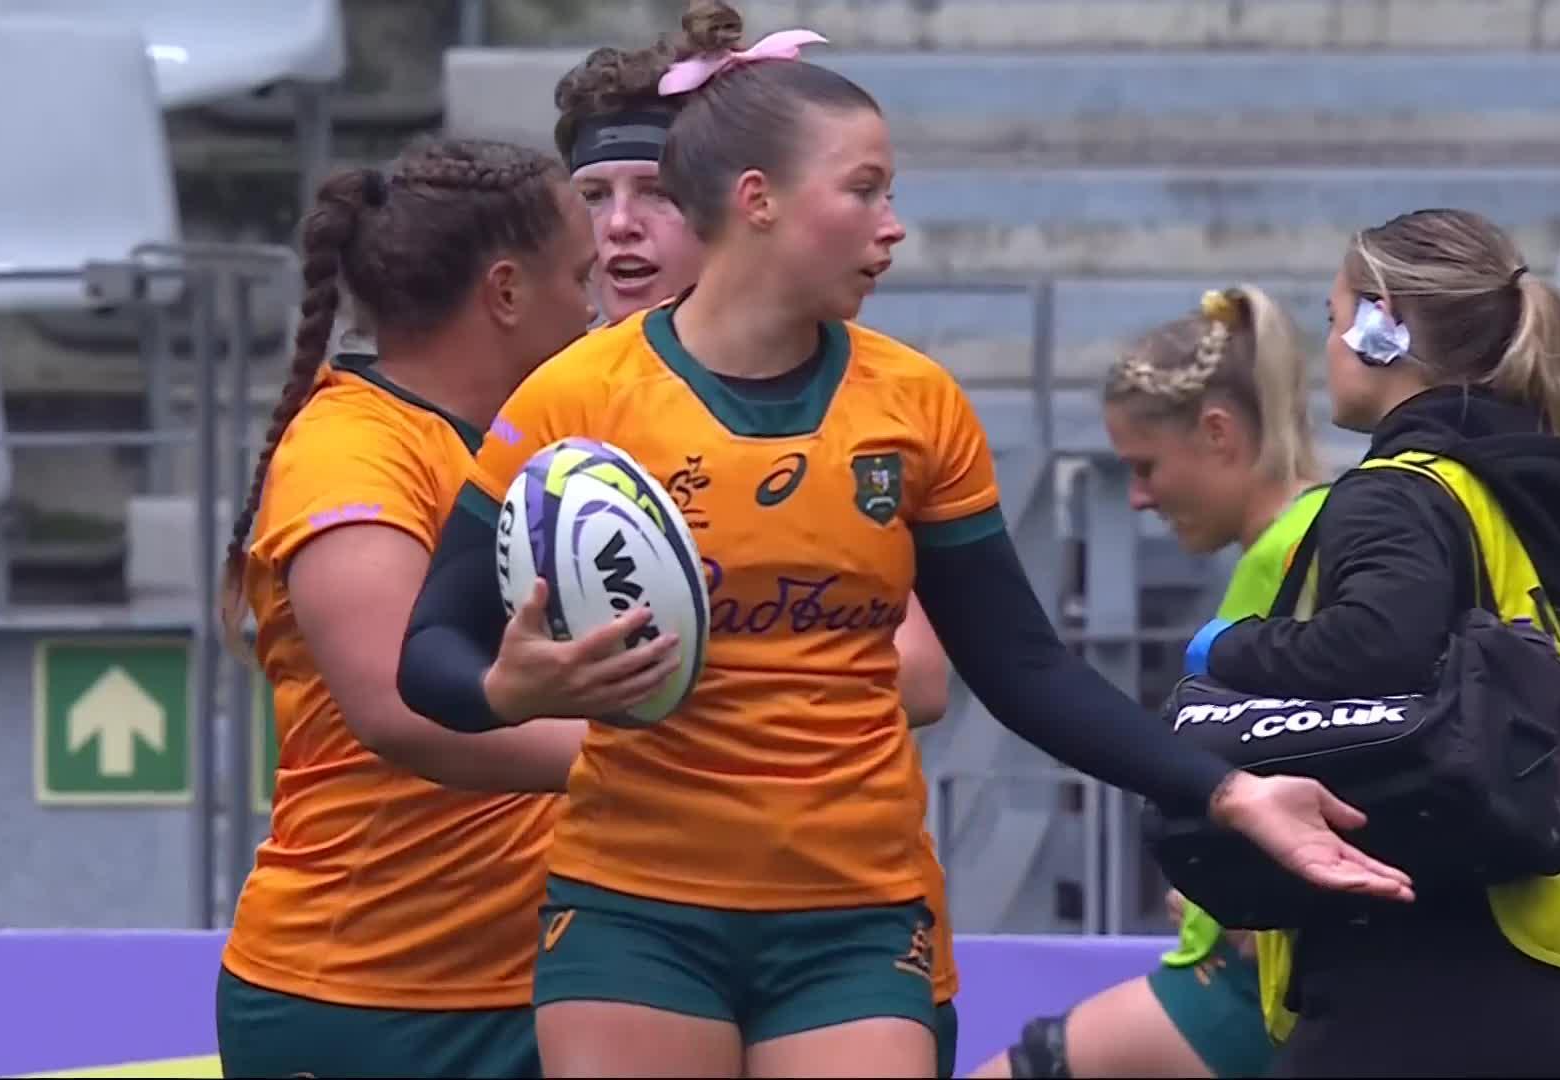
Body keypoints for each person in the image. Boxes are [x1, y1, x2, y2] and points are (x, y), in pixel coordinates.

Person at [397, 4, 1413, 1076]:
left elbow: (1023, 670)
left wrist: (1228, 788)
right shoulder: (579, 397)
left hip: (855, 917)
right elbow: (431, 654)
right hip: (635, 911)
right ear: (759, 202)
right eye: (866, 189)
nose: (893, 226)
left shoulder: (915, 404)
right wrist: (507, 692)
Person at [550, 32, 966, 1078]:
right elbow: (432, 673)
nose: (621, 229)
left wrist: (703, 690)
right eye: (593, 196)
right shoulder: (551, 414)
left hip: (835, 902)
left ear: (729, 204)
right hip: (598, 918)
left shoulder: (878, 398)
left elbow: (921, 672)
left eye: (649, 191)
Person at [1190, 208, 1560, 1077]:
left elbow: (1372, 649)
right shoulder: (1550, 500)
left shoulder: (1400, 493)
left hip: (1429, 987)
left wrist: (1223, 651)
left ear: (1380, 322)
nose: (1327, 350)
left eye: (1333, 320)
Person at [212, 137, 599, 1079]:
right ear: (506, 292)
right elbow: (397, 705)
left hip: (540, 984)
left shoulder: (546, 438)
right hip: (366, 998)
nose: (595, 306)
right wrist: (675, 759)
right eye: (579, 277)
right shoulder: (353, 451)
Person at [973, 285, 1330, 1079]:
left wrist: (1258, 905)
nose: (1136, 497)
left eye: (1144, 467)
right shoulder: (1297, 547)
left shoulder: (1297, 556)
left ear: (1217, 433)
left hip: (1253, 987)